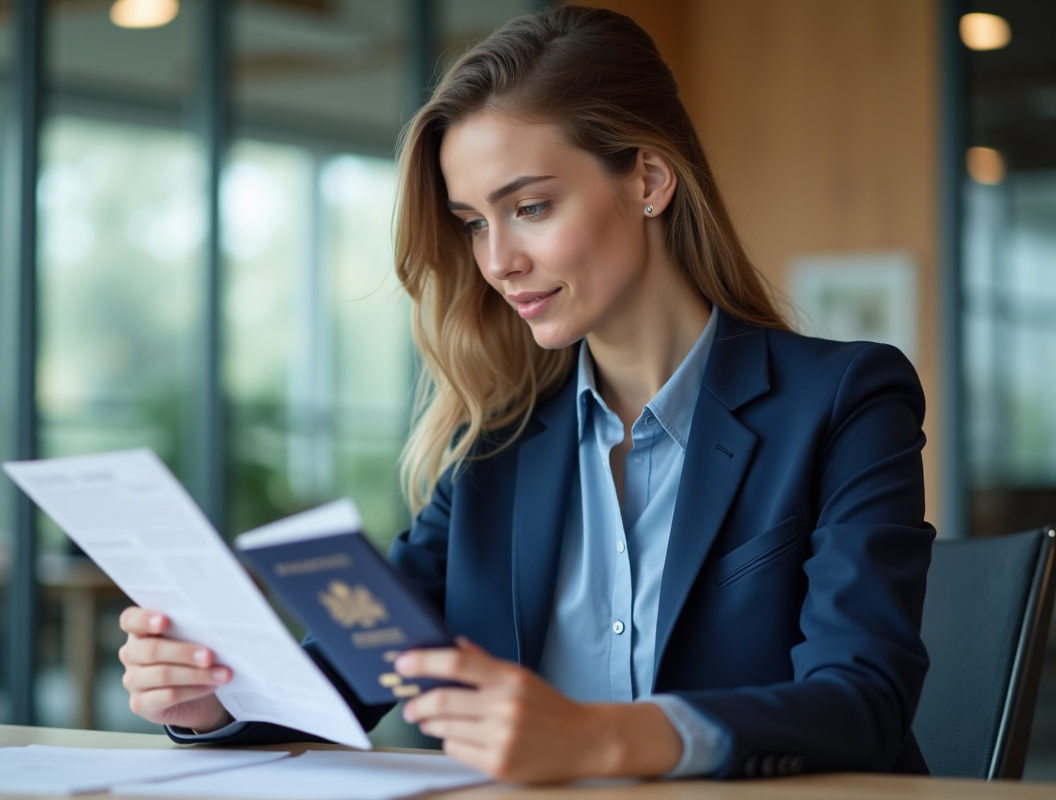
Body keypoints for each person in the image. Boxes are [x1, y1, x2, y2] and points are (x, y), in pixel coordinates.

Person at [117, 5, 934, 782]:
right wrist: (211, 703)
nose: (497, 258)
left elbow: (862, 701)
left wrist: (602, 738)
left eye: (531, 207)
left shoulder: (844, 400)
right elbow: (344, 683)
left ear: (648, 179)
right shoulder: (493, 448)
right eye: (474, 221)